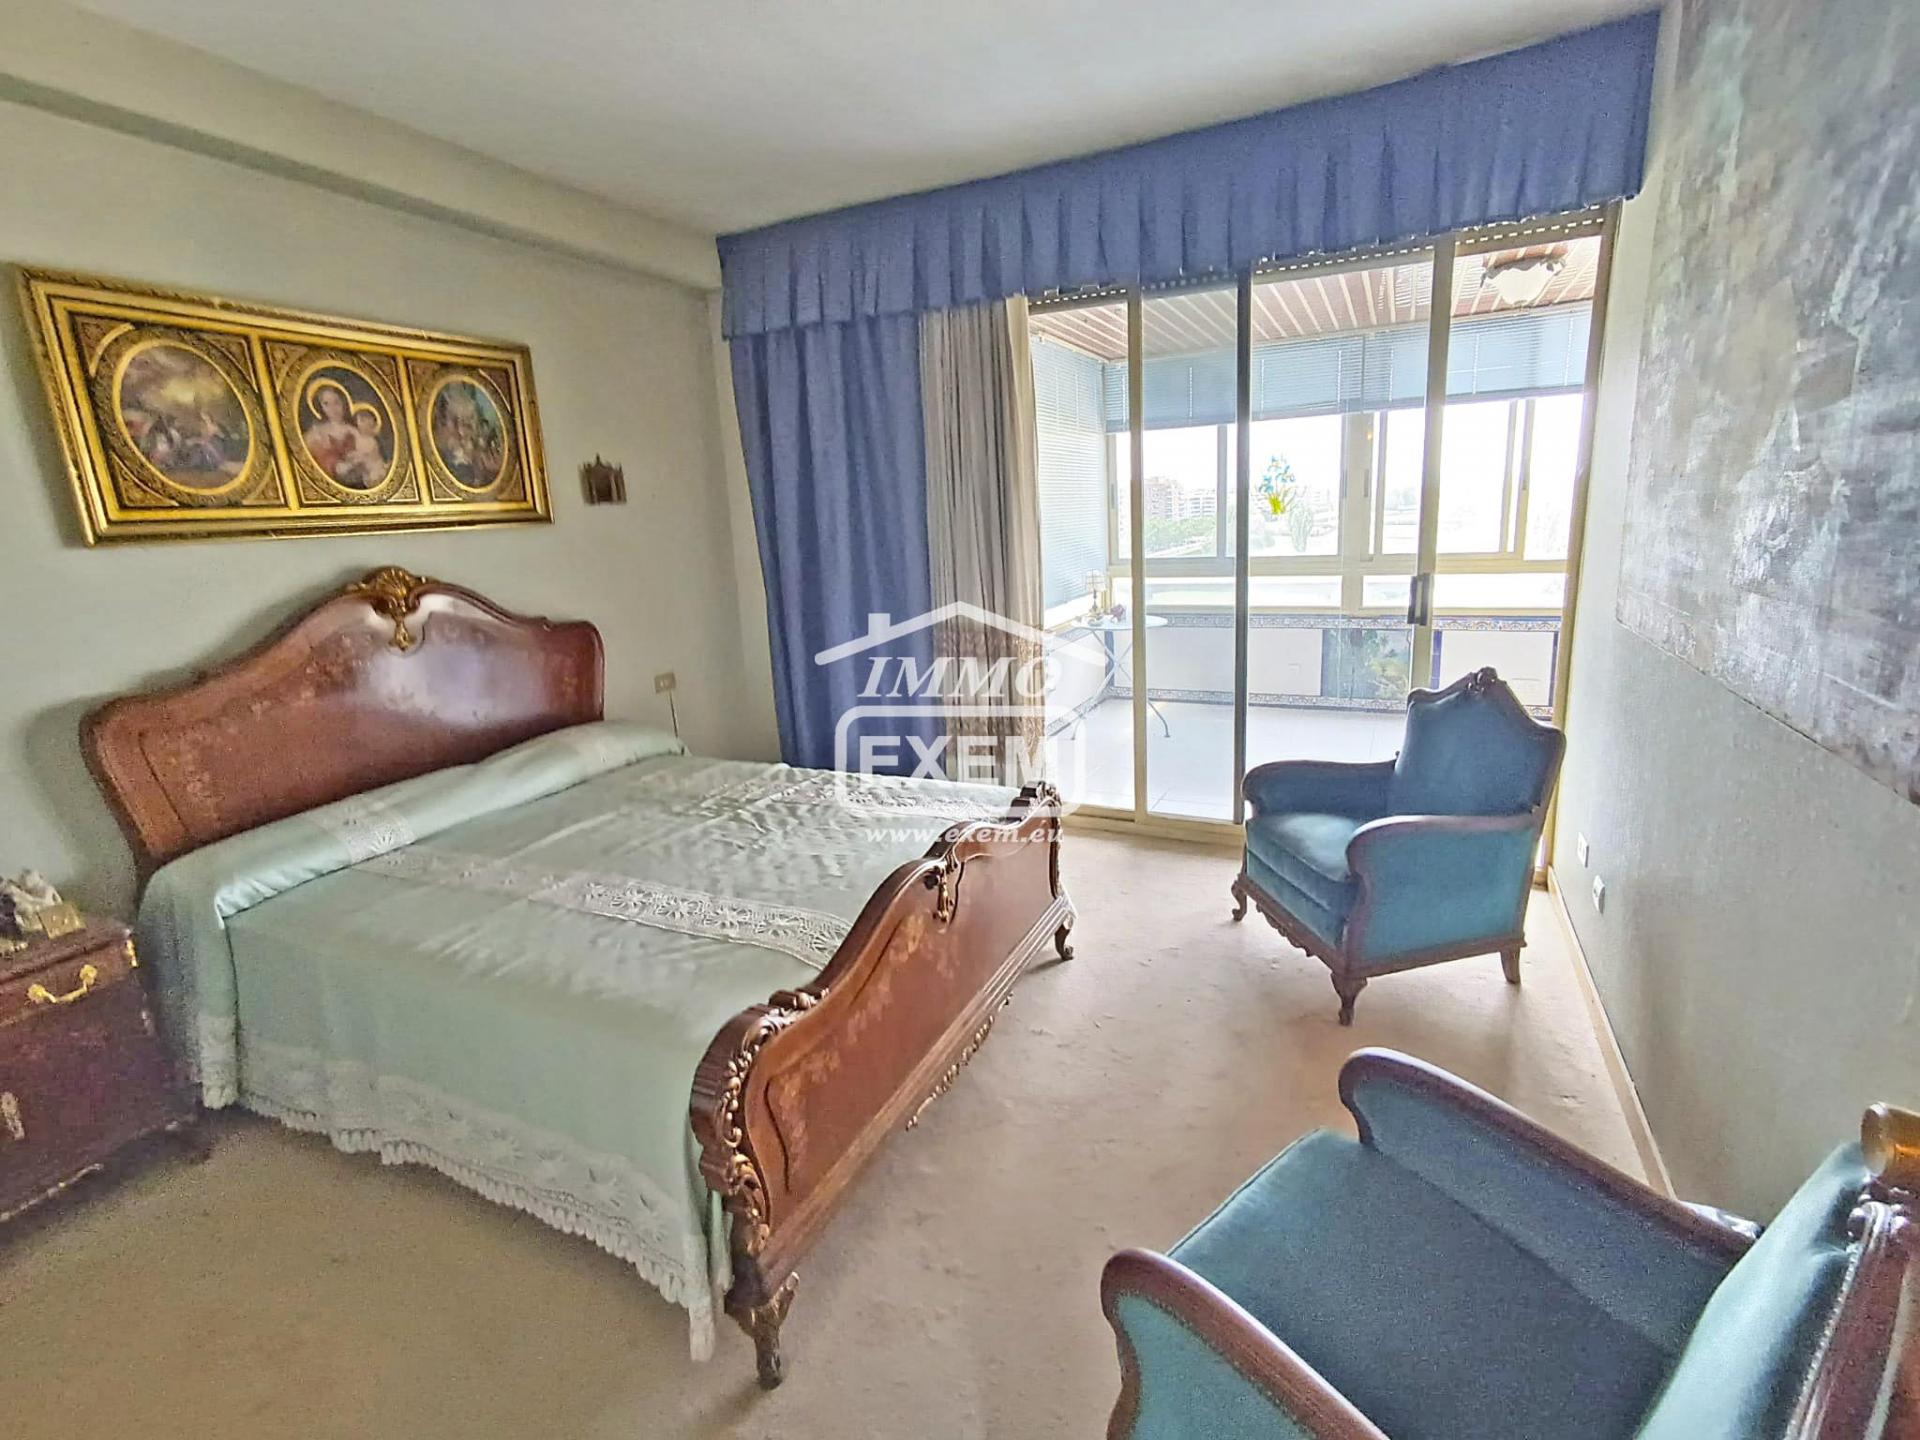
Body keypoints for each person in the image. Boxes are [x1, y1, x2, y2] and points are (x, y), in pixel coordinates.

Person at [301, 380, 358, 478]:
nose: (333, 408)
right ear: (321, 407)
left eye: (336, 402)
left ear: (344, 402)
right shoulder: (316, 433)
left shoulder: (354, 431)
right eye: (326, 404)